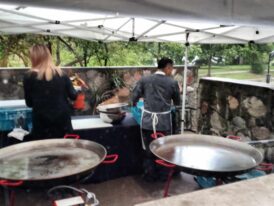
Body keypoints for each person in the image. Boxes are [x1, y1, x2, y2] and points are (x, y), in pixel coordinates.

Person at [131, 57, 181, 181]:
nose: (172, 71)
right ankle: (164, 176)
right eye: (171, 68)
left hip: (147, 121)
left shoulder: (145, 80)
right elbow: (178, 102)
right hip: (164, 123)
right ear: (168, 67)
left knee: (149, 150)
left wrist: (137, 104)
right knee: (164, 149)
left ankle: (149, 175)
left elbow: (134, 98)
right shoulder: (172, 82)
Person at [23, 44, 77, 140]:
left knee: (45, 151)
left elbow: (29, 103)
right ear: (48, 56)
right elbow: (73, 96)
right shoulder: (61, 74)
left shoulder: (28, 77)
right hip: (62, 122)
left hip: (42, 123)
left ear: (33, 58)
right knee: (65, 150)